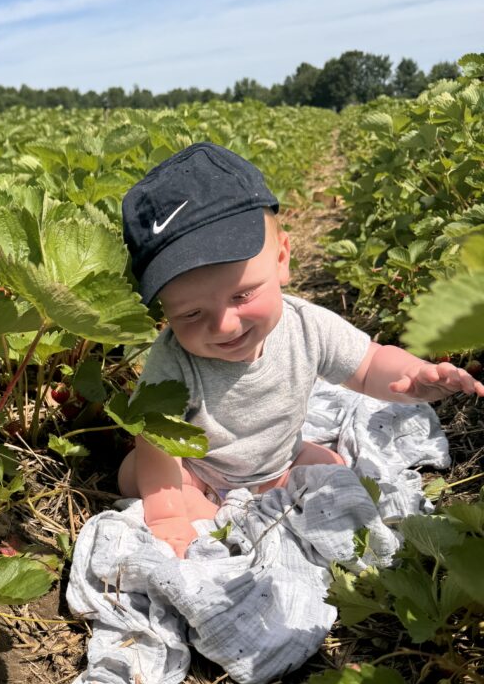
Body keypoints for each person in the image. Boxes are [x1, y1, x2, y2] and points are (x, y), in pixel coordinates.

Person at [118, 142, 484, 558]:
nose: (222, 324)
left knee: (332, 469)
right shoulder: (172, 362)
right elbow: (157, 440)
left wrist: (413, 378)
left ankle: (249, 509)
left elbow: (368, 365)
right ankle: (213, 519)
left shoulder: (307, 325)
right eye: (189, 314)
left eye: (242, 296)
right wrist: (167, 517)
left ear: (282, 259)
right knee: (140, 475)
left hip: (278, 464)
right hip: (200, 470)